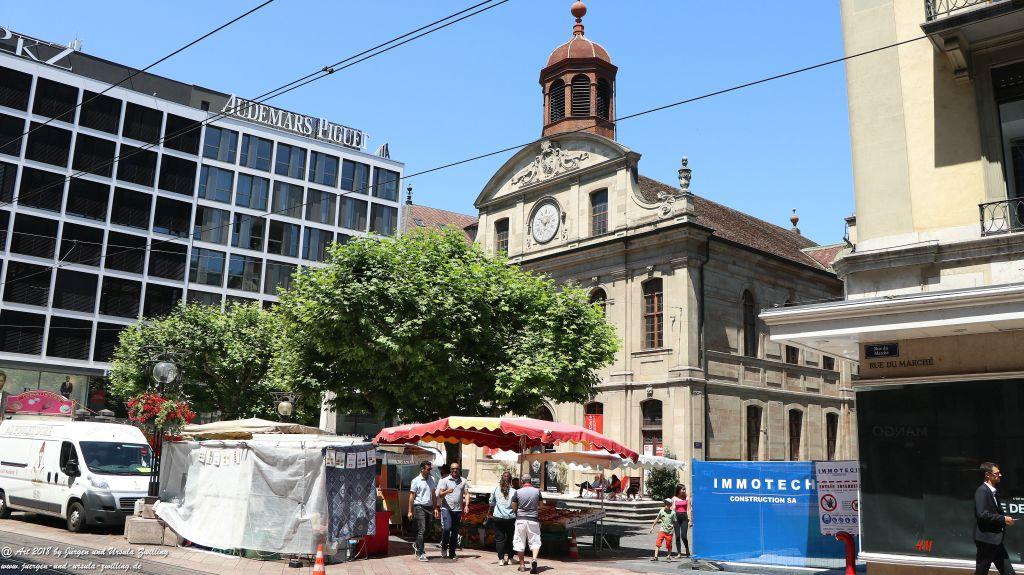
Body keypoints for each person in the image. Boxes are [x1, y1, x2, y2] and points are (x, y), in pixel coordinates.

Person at [975, 462, 1016, 575]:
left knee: (1009, 572)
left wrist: (1005, 518)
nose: (1000, 475)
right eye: (997, 473)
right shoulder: (982, 491)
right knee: (981, 572)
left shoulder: (993, 492)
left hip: (996, 540)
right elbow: (982, 514)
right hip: (986, 541)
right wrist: (1003, 519)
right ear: (988, 475)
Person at [435, 461, 470, 561]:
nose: (455, 470)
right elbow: (439, 495)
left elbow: (467, 494)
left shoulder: (463, 481)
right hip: (446, 509)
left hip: (458, 509)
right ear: (450, 470)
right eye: (453, 469)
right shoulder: (444, 480)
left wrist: (466, 505)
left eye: (456, 469)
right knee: (447, 529)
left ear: (459, 470)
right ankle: (444, 547)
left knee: (455, 532)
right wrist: (446, 491)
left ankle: (452, 552)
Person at [512, 475, 543, 574]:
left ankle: (522, 565)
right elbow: (541, 506)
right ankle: (534, 559)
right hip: (533, 519)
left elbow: (513, 507)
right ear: (531, 481)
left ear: (522, 481)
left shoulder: (517, 492)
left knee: (520, 541)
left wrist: (518, 510)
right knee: (535, 541)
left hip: (521, 519)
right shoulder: (537, 491)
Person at [407, 461, 437, 562]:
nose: (429, 471)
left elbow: (433, 494)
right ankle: (421, 552)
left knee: (428, 530)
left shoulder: (432, 479)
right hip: (419, 506)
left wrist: (436, 507)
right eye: (428, 469)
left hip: (429, 507)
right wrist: (410, 511)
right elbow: (411, 496)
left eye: (430, 469)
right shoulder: (416, 480)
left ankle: (417, 543)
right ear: (422, 469)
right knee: (422, 529)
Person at [488, 471, 517, 566]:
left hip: (498, 517)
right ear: (511, 479)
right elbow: (516, 505)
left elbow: (491, 503)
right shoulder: (514, 491)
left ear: (501, 478)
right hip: (510, 518)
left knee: (499, 539)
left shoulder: (496, 489)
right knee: (510, 538)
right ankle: (510, 558)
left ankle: (501, 559)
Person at [671, 484, 692, 558]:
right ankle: (679, 553)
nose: (684, 491)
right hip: (676, 517)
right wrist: (671, 520)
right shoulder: (674, 498)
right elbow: (673, 509)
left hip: (684, 517)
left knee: (683, 536)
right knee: (677, 536)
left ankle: (687, 549)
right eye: (683, 489)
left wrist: (690, 520)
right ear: (679, 490)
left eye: (684, 489)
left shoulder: (687, 498)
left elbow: (689, 509)